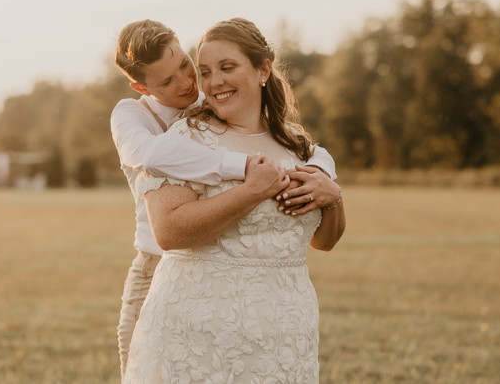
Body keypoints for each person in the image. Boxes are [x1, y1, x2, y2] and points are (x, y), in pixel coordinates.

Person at [111, 20, 339, 380]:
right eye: (168, 81)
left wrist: (330, 185)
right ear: (143, 87)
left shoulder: (279, 134)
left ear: (263, 69)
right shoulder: (155, 125)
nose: (189, 83)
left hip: (284, 323)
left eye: (188, 68)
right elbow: (149, 158)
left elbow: (323, 231)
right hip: (170, 277)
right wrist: (246, 175)